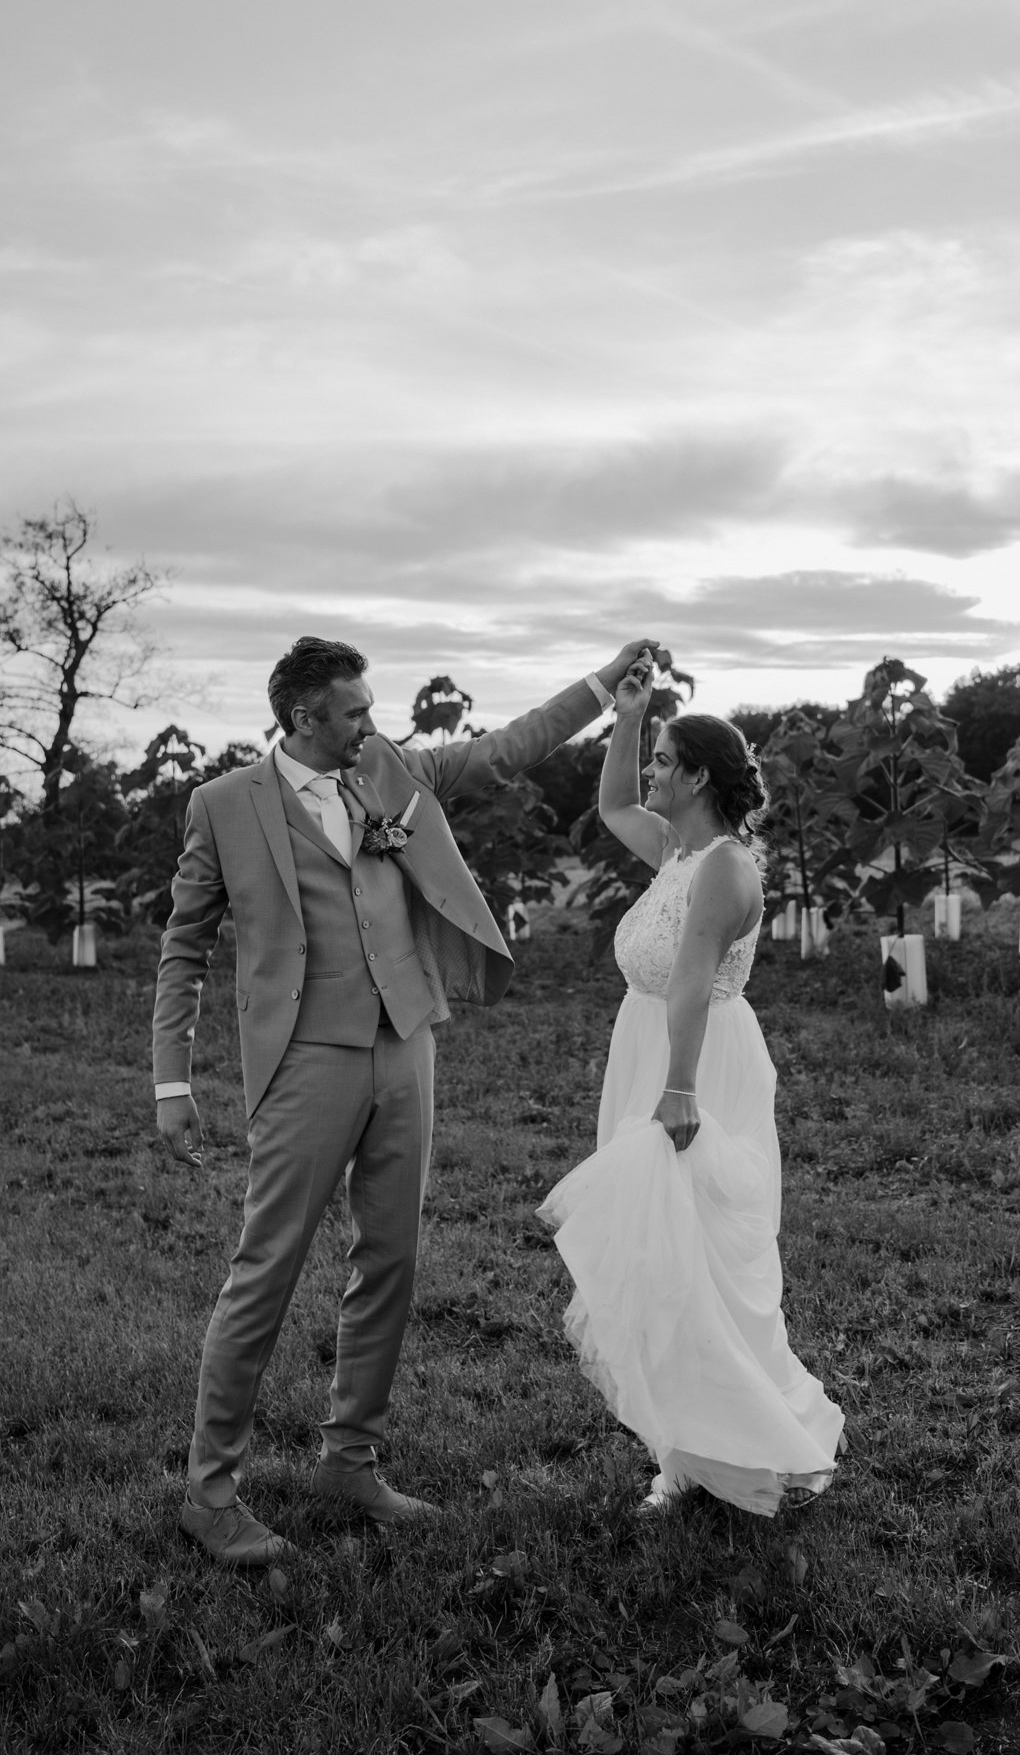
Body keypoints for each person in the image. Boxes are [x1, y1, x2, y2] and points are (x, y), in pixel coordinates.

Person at [155, 632, 657, 1567]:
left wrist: (604, 686)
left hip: (407, 1044)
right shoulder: (223, 806)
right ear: (303, 717)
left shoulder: (385, 768)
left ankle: (351, 1460)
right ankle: (209, 1491)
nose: (370, 725)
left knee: (390, 1261)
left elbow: (511, 745)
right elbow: (184, 943)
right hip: (305, 1061)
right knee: (265, 1273)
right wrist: (172, 1079)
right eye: (353, 712)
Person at [538, 660, 843, 1515]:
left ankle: (741, 1446)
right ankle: (687, 1447)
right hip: (646, 1051)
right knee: (657, 1257)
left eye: (665, 759)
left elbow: (689, 980)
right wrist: (628, 717)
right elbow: (609, 808)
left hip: (692, 1063)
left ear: (701, 775)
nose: (652, 774)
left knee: (698, 1259)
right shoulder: (678, 853)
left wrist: (677, 1093)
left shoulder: (720, 868)